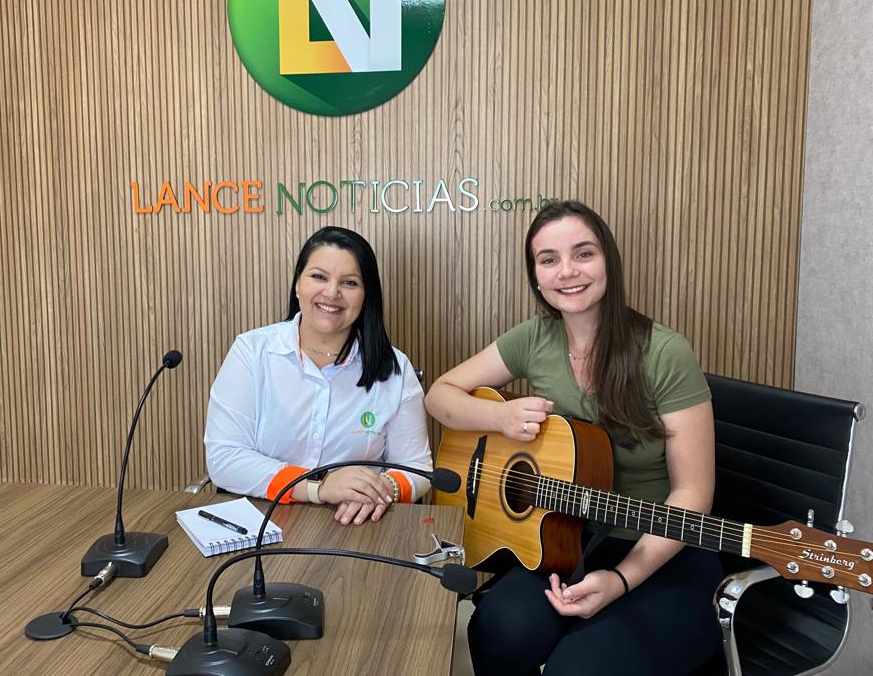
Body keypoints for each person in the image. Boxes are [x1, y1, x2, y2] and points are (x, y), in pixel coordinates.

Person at [424, 201, 722, 676]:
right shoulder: (533, 338)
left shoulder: (665, 352)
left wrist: (622, 580)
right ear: (536, 276)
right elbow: (439, 396)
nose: (567, 272)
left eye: (583, 254)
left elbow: (693, 493)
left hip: (664, 550)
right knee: (497, 631)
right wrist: (497, 419)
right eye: (548, 260)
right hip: (564, 539)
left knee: (578, 669)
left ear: (609, 261)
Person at [205, 226, 432, 526]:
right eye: (319, 277)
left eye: (349, 282)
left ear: (366, 296)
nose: (332, 293)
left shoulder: (394, 369)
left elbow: (416, 468)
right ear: (298, 283)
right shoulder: (252, 352)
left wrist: (381, 489)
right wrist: (319, 488)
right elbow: (225, 457)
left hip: (355, 527)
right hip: (258, 523)